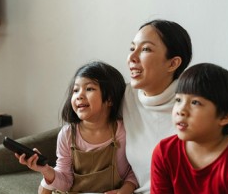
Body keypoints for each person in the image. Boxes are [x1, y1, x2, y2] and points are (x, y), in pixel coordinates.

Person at [16, 61, 138, 193]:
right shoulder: (67, 134)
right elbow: (65, 182)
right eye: (75, 90)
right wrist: (45, 170)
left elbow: (135, 170)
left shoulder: (123, 131)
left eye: (89, 88)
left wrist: (126, 189)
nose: (79, 95)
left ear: (110, 99)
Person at [151, 63, 228, 194]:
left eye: (195, 102)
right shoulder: (164, 152)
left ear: (225, 116)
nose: (181, 110)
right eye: (178, 100)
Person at [122, 19, 192, 193]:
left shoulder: (197, 103)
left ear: (173, 63)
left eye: (145, 49)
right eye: (132, 48)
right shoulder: (125, 97)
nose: (132, 57)